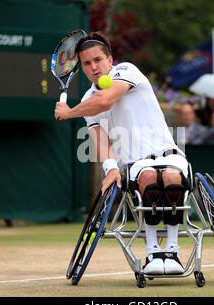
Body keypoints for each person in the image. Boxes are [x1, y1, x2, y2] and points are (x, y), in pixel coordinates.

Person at [54, 32, 188, 275]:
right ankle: (153, 251)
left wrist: (69, 112)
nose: (94, 67)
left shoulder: (126, 71)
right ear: (82, 67)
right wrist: (111, 169)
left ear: (110, 60)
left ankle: (173, 249)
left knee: (170, 179)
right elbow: (100, 140)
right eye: (87, 63)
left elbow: (105, 101)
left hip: (171, 155)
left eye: (98, 60)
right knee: (149, 180)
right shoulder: (87, 101)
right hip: (136, 163)